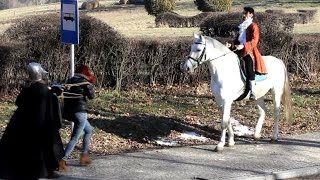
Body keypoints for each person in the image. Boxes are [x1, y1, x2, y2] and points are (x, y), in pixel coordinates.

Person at [0, 62, 65, 179]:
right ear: (39, 73)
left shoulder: (28, 89)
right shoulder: (44, 90)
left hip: (24, 125)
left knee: (25, 149)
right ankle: (46, 171)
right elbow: (51, 106)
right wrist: (54, 95)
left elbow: (19, 102)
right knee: (44, 148)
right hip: (41, 126)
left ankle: (34, 171)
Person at [58, 64, 95, 171]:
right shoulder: (84, 82)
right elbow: (91, 96)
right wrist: (90, 84)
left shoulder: (70, 80)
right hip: (80, 113)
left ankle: (84, 155)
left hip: (70, 113)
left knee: (89, 130)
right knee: (75, 137)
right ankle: (62, 160)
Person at [226, 7, 267, 100]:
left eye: (246, 14)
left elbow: (255, 40)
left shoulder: (253, 26)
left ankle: (252, 91)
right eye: (243, 13)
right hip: (239, 49)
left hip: (249, 50)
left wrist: (244, 46)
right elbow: (238, 40)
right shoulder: (242, 26)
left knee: (249, 65)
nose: (243, 15)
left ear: (251, 14)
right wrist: (231, 44)